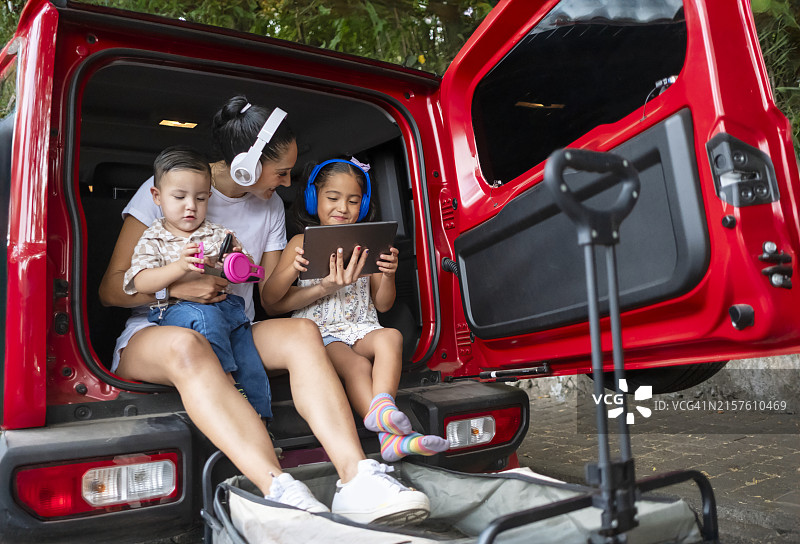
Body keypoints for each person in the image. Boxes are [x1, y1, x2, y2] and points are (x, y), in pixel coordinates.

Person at [99, 96, 430, 525]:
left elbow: (271, 300)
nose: (289, 182)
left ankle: (358, 476)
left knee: (302, 334)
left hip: (235, 324)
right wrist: (181, 288)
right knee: (188, 344)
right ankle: (279, 489)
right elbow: (111, 289)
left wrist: (323, 283)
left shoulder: (270, 205)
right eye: (281, 172)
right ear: (245, 166)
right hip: (158, 327)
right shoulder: (171, 190)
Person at [262, 158, 449, 463]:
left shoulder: (369, 243)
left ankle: (383, 407)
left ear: (362, 205)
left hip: (362, 327)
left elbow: (383, 304)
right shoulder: (299, 242)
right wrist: (289, 271)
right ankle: (391, 437)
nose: (342, 208)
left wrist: (388, 274)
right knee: (357, 367)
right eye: (332, 198)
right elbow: (271, 299)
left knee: (391, 337)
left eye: (352, 201)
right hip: (320, 333)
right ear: (313, 199)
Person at [123, 145, 271, 419]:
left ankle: (259, 419)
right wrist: (178, 267)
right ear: (157, 196)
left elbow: (248, 274)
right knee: (206, 321)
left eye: (201, 199)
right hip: (178, 310)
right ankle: (227, 388)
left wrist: (238, 259)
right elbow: (141, 282)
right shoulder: (153, 237)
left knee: (250, 362)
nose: (191, 206)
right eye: (179, 197)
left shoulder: (216, 233)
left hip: (229, 310)